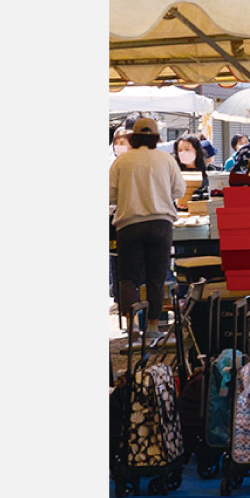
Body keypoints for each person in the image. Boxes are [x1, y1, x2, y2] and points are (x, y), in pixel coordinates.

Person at [110, 117, 187, 341]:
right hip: (160, 224)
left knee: (129, 278)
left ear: (133, 137)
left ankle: (133, 323)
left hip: (129, 225)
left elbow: (111, 194)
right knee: (156, 277)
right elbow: (179, 190)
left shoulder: (121, 162)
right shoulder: (166, 160)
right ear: (156, 137)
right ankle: (153, 325)